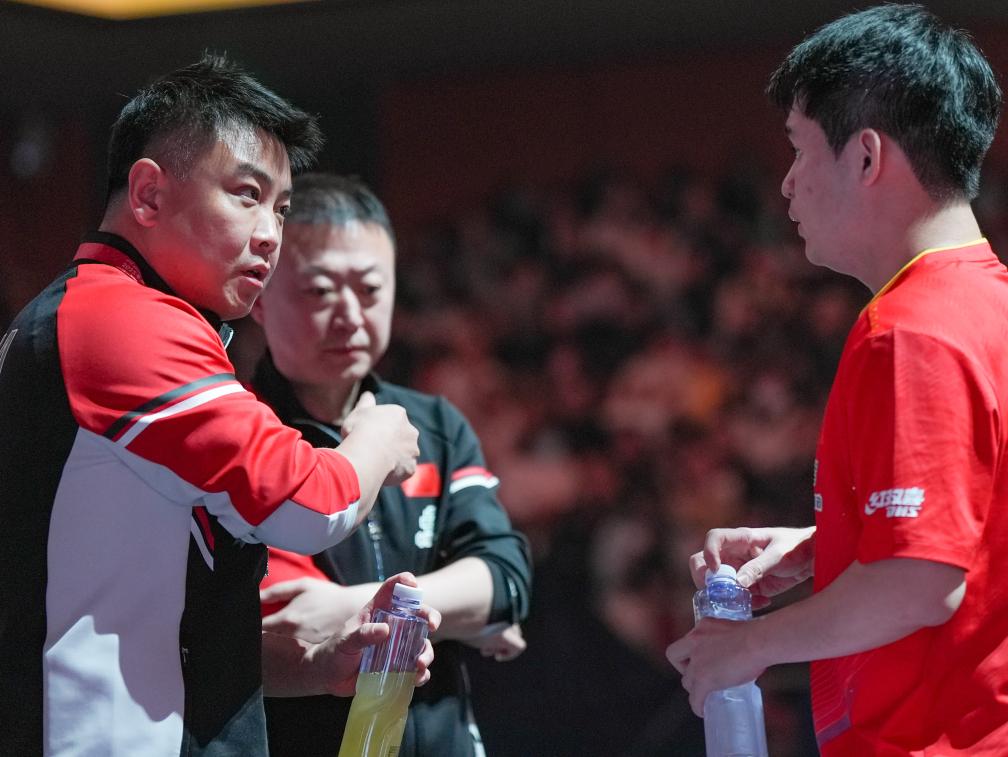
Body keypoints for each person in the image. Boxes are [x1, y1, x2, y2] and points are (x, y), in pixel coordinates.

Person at [0, 55, 437, 756]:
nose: (270, 233)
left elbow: (167, 623)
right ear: (147, 194)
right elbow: (308, 502)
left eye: (281, 208)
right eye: (246, 194)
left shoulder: (99, 318)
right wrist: (376, 436)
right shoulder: (117, 319)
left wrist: (315, 663)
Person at [665, 5, 1008, 755]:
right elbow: (977, 536)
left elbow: (921, 580)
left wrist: (748, 646)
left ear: (866, 157)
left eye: (799, 149)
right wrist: (830, 545)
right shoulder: (989, 304)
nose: (787, 184)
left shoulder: (912, 329)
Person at [249, 173, 533, 756]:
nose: (350, 315)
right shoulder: (240, 431)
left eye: (371, 289)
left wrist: (353, 605)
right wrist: (461, 612)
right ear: (258, 297)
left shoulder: (436, 424)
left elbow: (506, 579)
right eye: (319, 290)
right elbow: (286, 618)